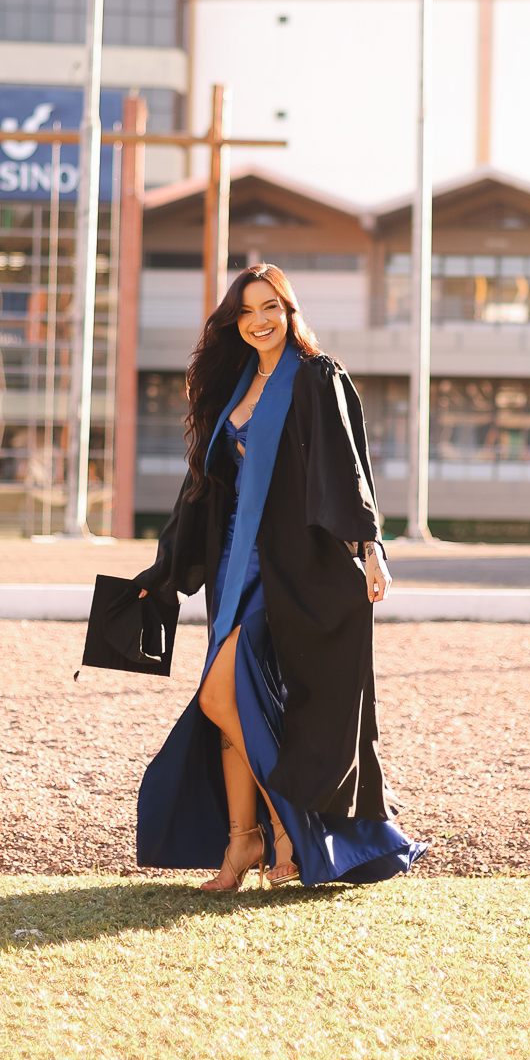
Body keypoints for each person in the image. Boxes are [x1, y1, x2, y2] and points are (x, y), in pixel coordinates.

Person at [132, 263, 425, 891]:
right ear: (233, 321)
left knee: (219, 696)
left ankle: (286, 827)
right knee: (234, 701)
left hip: (289, 566)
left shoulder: (317, 377)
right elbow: (203, 485)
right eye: (246, 310)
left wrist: (370, 546)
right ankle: (241, 843)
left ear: (289, 312)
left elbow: (349, 465)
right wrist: (165, 568)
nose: (259, 320)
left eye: (270, 307)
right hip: (231, 564)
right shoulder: (233, 383)